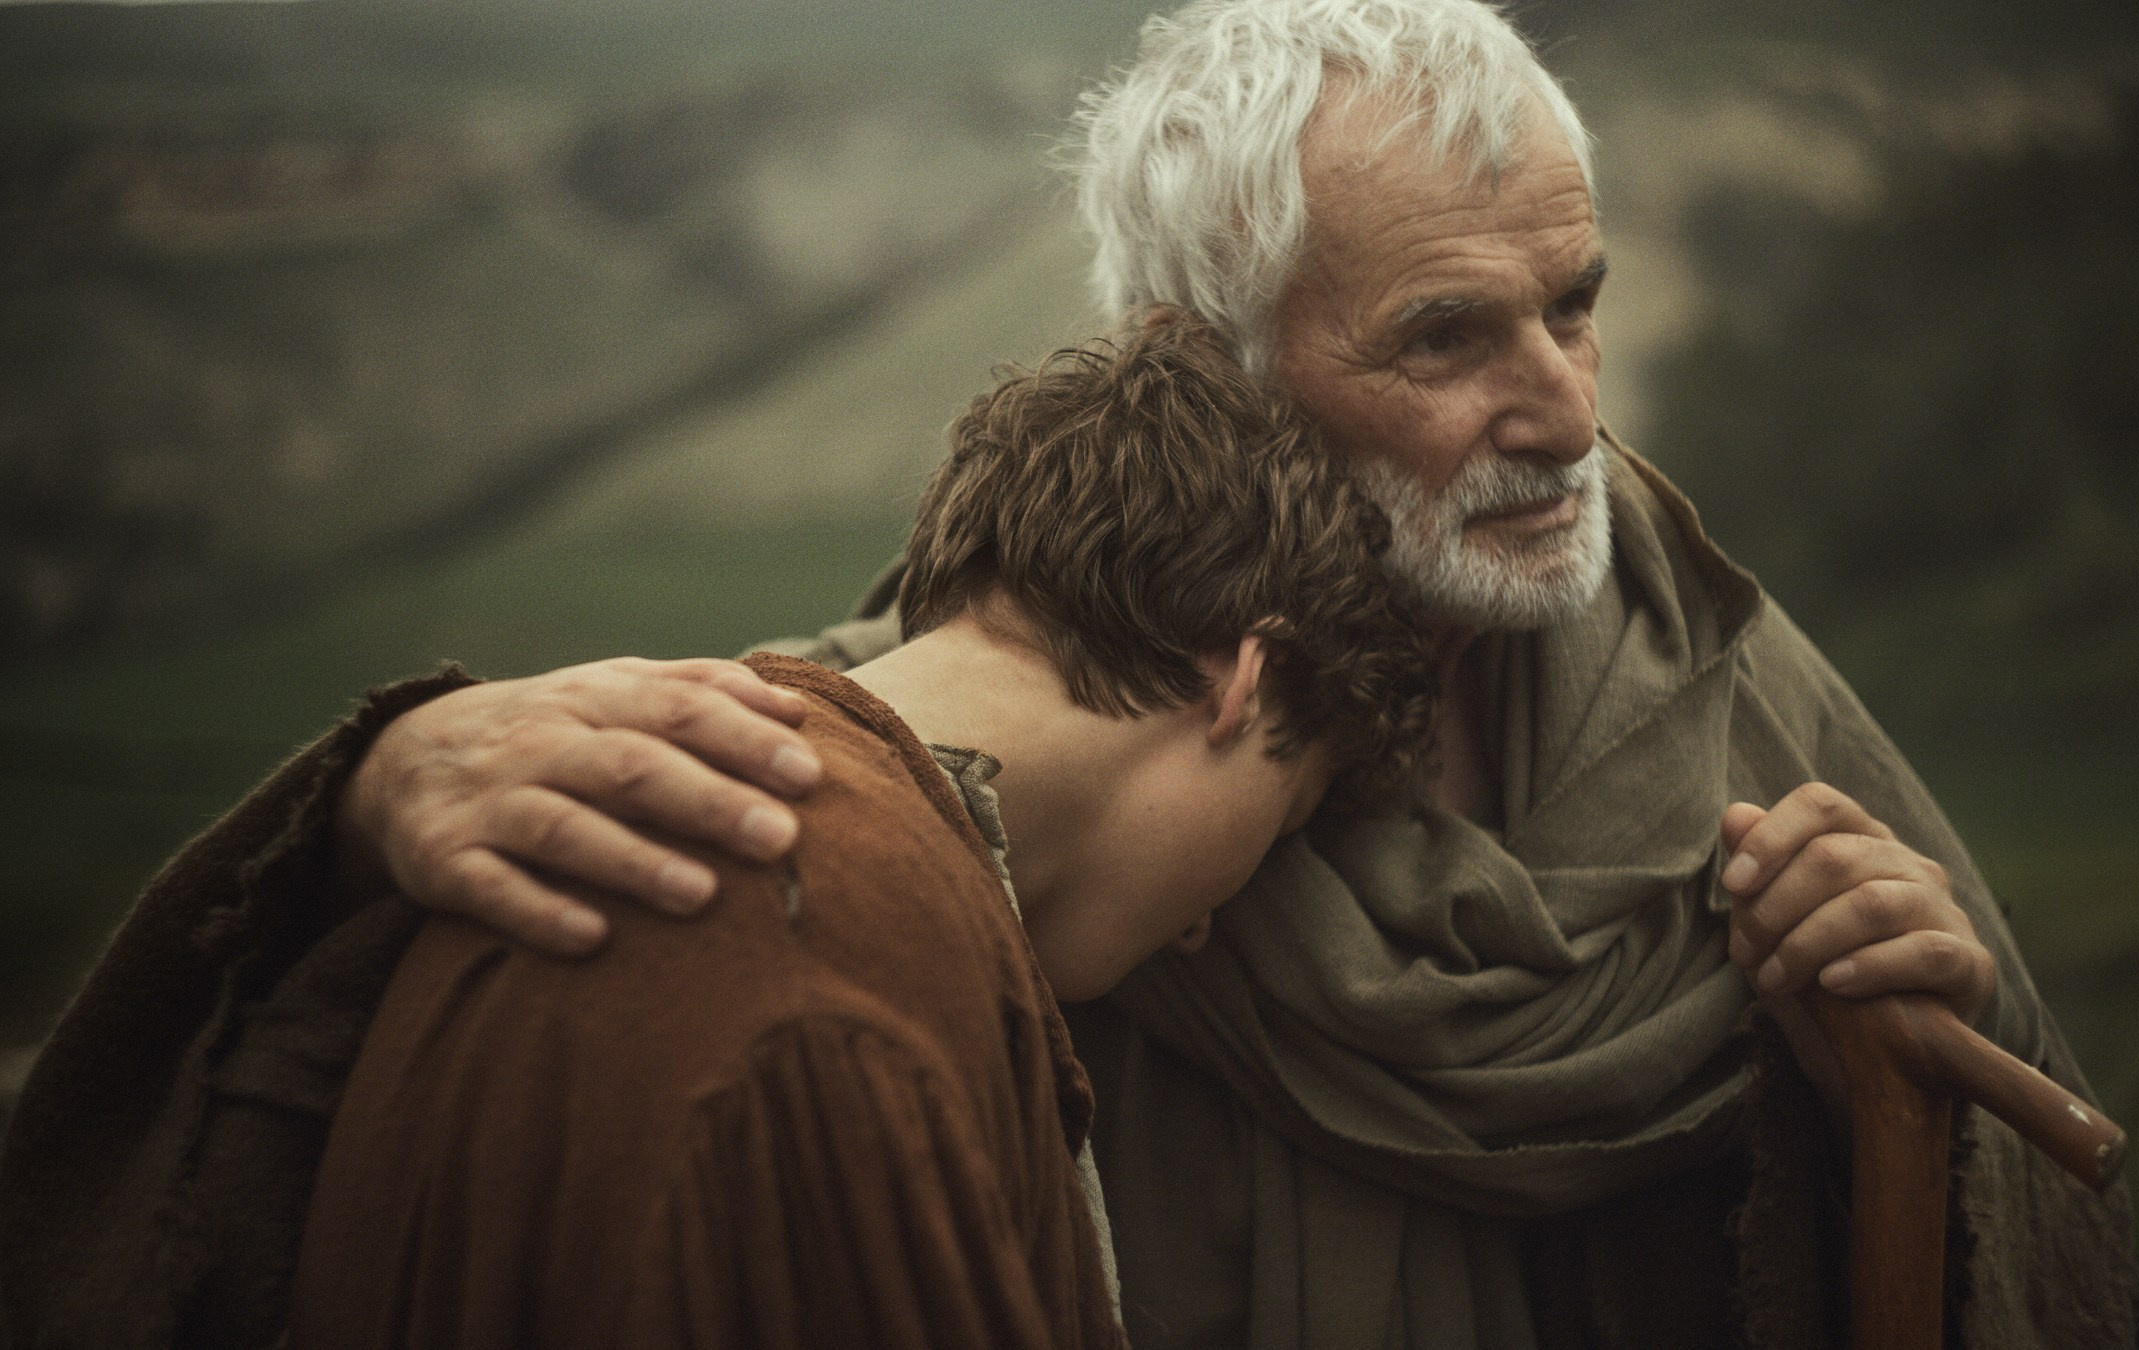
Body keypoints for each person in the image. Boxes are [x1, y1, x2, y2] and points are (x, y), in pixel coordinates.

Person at [1, 1, 2139, 1347]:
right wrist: (384, 797)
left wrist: (1889, 1061)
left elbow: (2026, 1192)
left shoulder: (1722, 682)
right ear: (1208, 372)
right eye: (1445, 336)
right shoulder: (895, 758)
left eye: (1574, 306)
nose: (1569, 408)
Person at [282, 310, 1435, 1349]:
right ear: (1245, 678)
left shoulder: (666, 818)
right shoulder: (834, 965)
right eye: (1277, 825)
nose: (1208, 927)